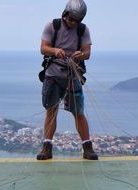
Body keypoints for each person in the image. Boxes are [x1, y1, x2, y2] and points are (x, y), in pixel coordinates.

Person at [37, 0, 98, 161]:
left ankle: (87, 147)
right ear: (65, 14)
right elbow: (43, 48)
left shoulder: (83, 30)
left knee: (78, 112)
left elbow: (87, 52)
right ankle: (47, 147)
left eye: (76, 21)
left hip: (73, 75)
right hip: (53, 74)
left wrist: (81, 54)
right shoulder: (52, 26)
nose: (72, 23)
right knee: (51, 110)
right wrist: (55, 51)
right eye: (71, 19)